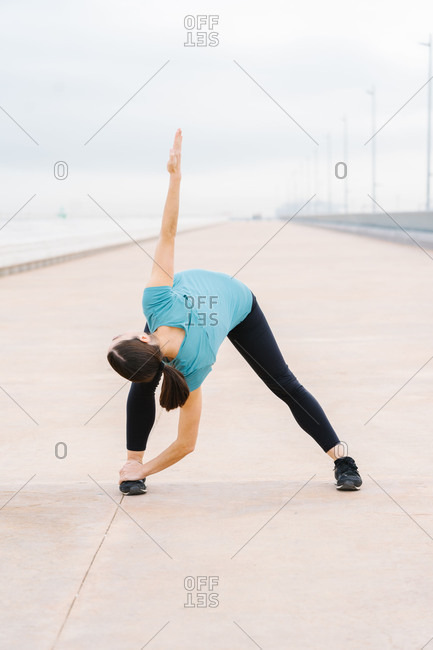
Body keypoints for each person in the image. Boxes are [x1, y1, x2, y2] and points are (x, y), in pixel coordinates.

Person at [107, 129, 362, 495]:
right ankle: (133, 462)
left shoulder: (157, 304)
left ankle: (342, 459)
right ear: (142, 336)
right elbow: (168, 233)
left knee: (283, 384)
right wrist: (175, 177)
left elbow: (168, 233)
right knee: (143, 379)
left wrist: (175, 179)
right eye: (123, 335)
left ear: (146, 334)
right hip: (206, 313)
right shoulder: (189, 362)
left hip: (238, 303)